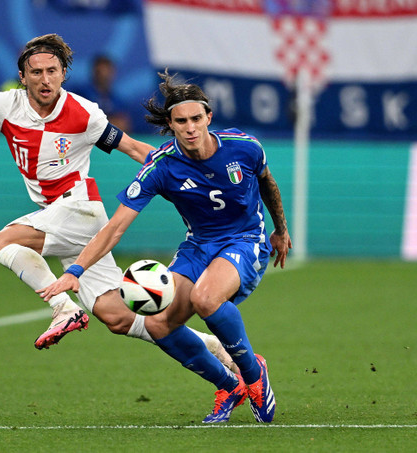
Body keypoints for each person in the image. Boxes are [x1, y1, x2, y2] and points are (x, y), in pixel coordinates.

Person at [0, 34, 236, 371]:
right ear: (23, 77)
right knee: (117, 317)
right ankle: (216, 348)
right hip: (57, 216)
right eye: (36, 72)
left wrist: (191, 171)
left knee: (3, 241)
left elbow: (135, 149)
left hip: (79, 209)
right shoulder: (5, 105)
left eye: (52, 71)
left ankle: (63, 308)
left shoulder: (83, 112)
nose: (45, 79)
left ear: (64, 73)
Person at [39, 70, 292, 424]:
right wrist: (76, 271)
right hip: (198, 245)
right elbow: (114, 228)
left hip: (245, 239)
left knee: (205, 299)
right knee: (158, 325)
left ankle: (253, 374)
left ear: (208, 118)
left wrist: (280, 229)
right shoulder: (161, 166)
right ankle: (228, 385)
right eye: (180, 121)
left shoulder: (245, 147)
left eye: (195, 119)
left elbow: (267, 182)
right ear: (170, 125)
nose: (189, 128)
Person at [75, 54, 133, 132]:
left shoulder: (115, 98)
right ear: (94, 72)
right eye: (100, 71)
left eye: (107, 71)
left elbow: (122, 122)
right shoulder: (82, 93)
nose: (104, 75)